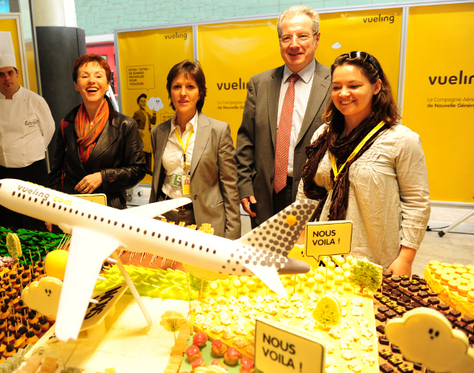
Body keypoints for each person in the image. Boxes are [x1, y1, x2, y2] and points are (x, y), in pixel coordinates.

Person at [297, 51, 430, 276]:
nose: (343, 93)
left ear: (376, 87)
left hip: (371, 259)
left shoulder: (401, 139)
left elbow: (417, 203)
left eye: (354, 86)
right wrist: (299, 239)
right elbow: (307, 192)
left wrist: (406, 258)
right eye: (337, 87)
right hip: (319, 256)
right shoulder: (323, 135)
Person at [236, 5, 331, 228]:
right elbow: (246, 142)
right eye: (286, 37)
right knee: (264, 258)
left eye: (302, 36)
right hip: (264, 196)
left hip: (315, 195)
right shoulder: (259, 84)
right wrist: (245, 186)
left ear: (316, 39)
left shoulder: (335, 83)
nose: (294, 44)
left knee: (306, 261)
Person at [149, 60, 241, 240]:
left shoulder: (218, 130)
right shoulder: (158, 132)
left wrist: (233, 236)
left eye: (190, 86)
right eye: (177, 87)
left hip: (205, 219)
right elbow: (159, 181)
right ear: (170, 92)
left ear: (200, 93)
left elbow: (230, 187)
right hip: (166, 216)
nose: (183, 93)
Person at [0, 29, 55, 231]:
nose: (6, 79)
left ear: (17, 73)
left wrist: (32, 149)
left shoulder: (35, 100)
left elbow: (49, 130)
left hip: (33, 169)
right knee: (8, 219)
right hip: (3, 169)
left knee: (35, 218)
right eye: (1, 74)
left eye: (10, 73)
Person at [46, 54, 146, 210]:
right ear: (76, 85)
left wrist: (103, 177)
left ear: (107, 84)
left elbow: (138, 170)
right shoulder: (66, 124)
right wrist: (50, 208)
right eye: (84, 76)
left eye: (98, 76)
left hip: (110, 210)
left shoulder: (125, 125)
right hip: (71, 207)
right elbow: (57, 172)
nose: (91, 80)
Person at [132, 93, 157, 175]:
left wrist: (154, 113)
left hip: (147, 134)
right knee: (142, 152)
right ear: (138, 103)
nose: (143, 103)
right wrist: (138, 131)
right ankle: (142, 169)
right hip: (142, 135)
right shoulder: (137, 113)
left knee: (149, 152)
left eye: (144, 101)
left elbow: (153, 122)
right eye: (141, 101)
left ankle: (148, 169)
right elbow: (132, 123)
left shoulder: (146, 113)